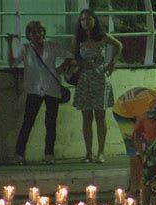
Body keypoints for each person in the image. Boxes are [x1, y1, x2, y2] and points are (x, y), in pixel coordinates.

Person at [7, 21, 73, 165]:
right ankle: (19, 154)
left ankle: (49, 154)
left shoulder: (52, 46)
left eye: (40, 31)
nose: (39, 34)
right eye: (35, 32)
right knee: (28, 122)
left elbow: (69, 55)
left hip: (51, 88)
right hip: (34, 89)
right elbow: (12, 63)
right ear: (29, 35)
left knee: (51, 123)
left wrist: (60, 68)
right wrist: (9, 44)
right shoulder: (25, 49)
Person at [72, 9, 122, 163]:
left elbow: (119, 45)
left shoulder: (101, 36)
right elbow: (73, 56)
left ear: (94, 20)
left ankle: (101, 152)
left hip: (100, 77)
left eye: (89, 19)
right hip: (84, 78)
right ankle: (88, 153)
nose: (86, 22)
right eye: (83, 20)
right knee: (87, 117)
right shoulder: (78, 38)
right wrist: (81, 63)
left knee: (100, 116)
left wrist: (112, 63)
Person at [112, 87, 156, 194]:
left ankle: (145, 183)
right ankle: (134, 187)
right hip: (122, 111)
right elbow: (139, 135)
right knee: (135, 151)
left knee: (145, 150)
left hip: (133, 108)